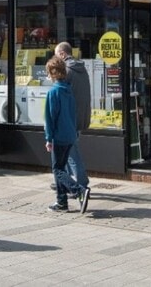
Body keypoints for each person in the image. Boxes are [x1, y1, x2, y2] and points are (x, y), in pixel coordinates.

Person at [44, 56, 90, 214]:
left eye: (48, 72)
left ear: (52, 73)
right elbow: (73, 113)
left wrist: (48, 138)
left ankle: (79, 190)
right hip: (70, 134)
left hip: (59, 136)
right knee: (61, 168)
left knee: (57, 169)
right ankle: (61, 202)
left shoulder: (53, 92)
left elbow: (50, 118)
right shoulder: (68, 90)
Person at [52, 42, 91, 196]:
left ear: (62, 54)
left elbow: (60, 94)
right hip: (80, 116)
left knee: (71, 154)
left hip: (69, 118)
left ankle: (82, 186)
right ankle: (66, 182)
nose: (56, 59)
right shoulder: (81, 68)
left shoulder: (67, 70)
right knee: (67, 153)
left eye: (56, 55)